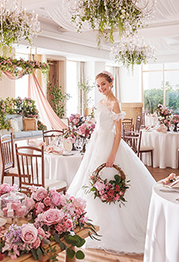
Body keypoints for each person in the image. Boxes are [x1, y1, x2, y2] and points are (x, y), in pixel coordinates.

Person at [67, 71, 156, 254]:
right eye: (98, 85)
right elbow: (97, 130)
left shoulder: (115, 104)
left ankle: (113, 228)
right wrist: (88, 152)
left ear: (111, 83)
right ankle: (92, 224)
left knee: (109, 179)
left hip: (110, 146)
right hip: (97, 144)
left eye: (103, 84)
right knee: (91, 182)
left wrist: (112, 155)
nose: (101, 88)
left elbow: (118, 133)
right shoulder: (100, 103)